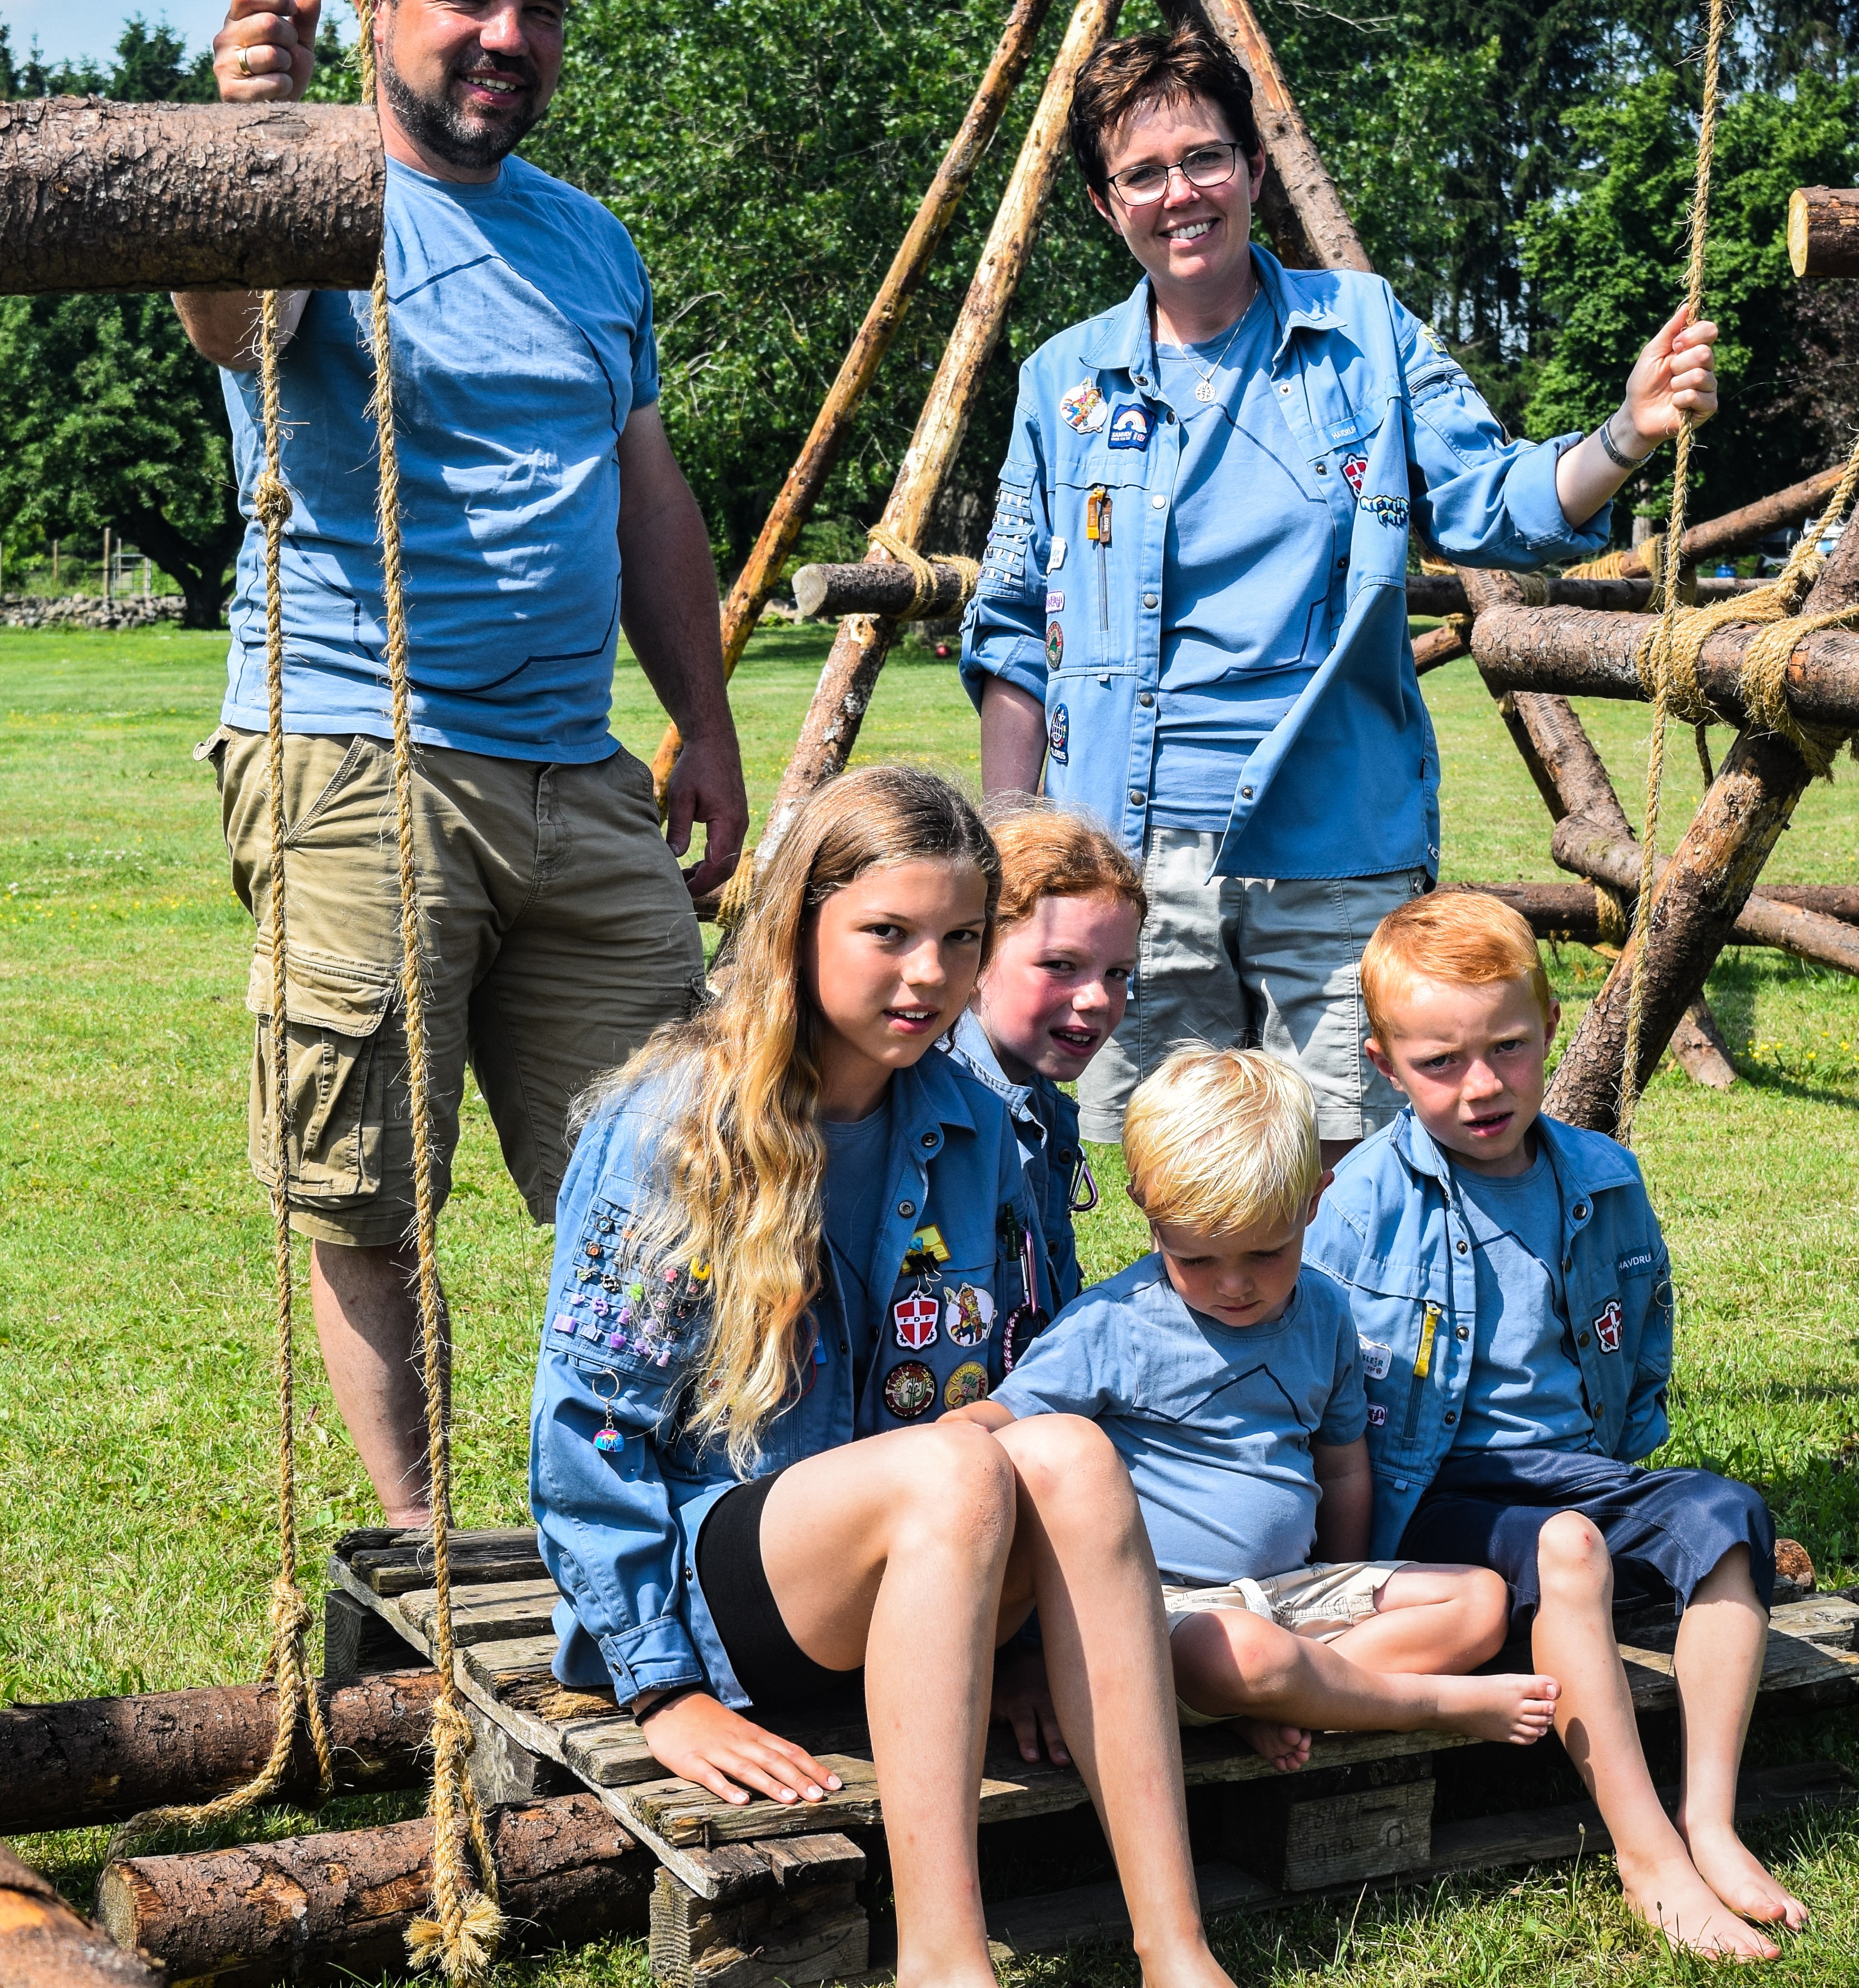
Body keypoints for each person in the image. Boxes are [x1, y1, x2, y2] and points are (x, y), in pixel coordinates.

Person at [174, 0, 748, 1525]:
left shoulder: (588, 240)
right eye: (467, 0)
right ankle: (434, 1572)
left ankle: (667, 1525)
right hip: (356, 753)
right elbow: (228, 323)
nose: (508, 35)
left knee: (680, 1170)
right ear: (374, 12)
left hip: (579, 779)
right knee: (371, 1192)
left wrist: (702, 721)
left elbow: (647, 495)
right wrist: (246, 146)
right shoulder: (305, 193)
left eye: (538, 6)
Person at [961, 25, 1718, 1168]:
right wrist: (1020, 850)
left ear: (1256, 171)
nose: (1182, 192)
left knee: (1351, 1166)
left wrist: (1623, 433)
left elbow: (1491, 498)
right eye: (1144, 172)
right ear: (1102, 200)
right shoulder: (1060, 382)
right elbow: (1014, 623)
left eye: (1207, 157)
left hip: (1336, 841)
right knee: (1182, 1177)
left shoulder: (1362, 335)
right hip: (1128, 852)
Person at [529, 766, 1234, 1988]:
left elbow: (1031, 1386)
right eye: (887, 933)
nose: (929, 974)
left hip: (934, 1556)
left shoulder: (972, 1125)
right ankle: (942, 1961)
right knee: (955, 1465)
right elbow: (589, 1429)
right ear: (799, 924)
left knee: (1067, 1443)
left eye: (960, 938)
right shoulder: (669, 1124)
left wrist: (1028, 1640)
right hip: (743, 1580)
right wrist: (661, 1689)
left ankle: (1175, 1948)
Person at [1306, 890, 1802, 1961]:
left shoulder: (1603, 1179)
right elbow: (1320, 1378)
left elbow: (1644, 1322)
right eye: (1440, 1062)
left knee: (1723, 1514)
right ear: (1386, 1067)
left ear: (1549, 1027)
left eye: (1509, 1048)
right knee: (1566, 1548)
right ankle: (1647, 1854)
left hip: (1576, 1469)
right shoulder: (1357, 1206)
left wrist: (1622, 1455)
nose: (1481, 1085)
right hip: (1438, 1488)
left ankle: (1709, 1818)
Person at [945, 1044, 1559, 1773]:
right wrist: (962, 1433)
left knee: (1478, 1601)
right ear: (1147, 1206)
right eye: (1198, 1260)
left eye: (1267, 1253)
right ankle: (1419, 1701)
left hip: (1289, 1595)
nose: (1233, 1285)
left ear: (1313, 1201)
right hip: (1162, 1614)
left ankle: (1287, 1699)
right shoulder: (1112, 1323)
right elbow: (1008, 1417)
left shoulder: (1325, 1311)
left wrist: (1347, 1573)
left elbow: (1341, 1464)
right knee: (1242, 1652)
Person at [943, 799, 1146, 1296]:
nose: (1097, 998)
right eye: (1060, 965)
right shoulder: (939, 1114)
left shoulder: (1041, 1104)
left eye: (1118, 973)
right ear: (977, 954)